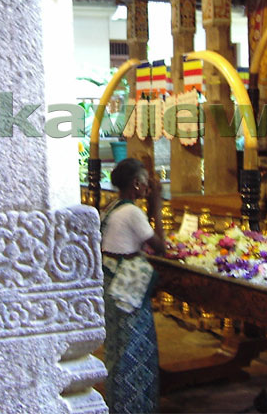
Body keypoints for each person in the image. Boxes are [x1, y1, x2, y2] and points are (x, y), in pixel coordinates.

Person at [100, 157, 165, 414]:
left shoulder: (113, 207)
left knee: (117, 348)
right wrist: (156, 205)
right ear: (137, 185)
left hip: (111, 284)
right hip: (126, 290)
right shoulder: (133, 212)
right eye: (147, 182)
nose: (150, 186)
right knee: (134, 349)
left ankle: (118, 402)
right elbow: (161, 248)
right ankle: (134, 406)